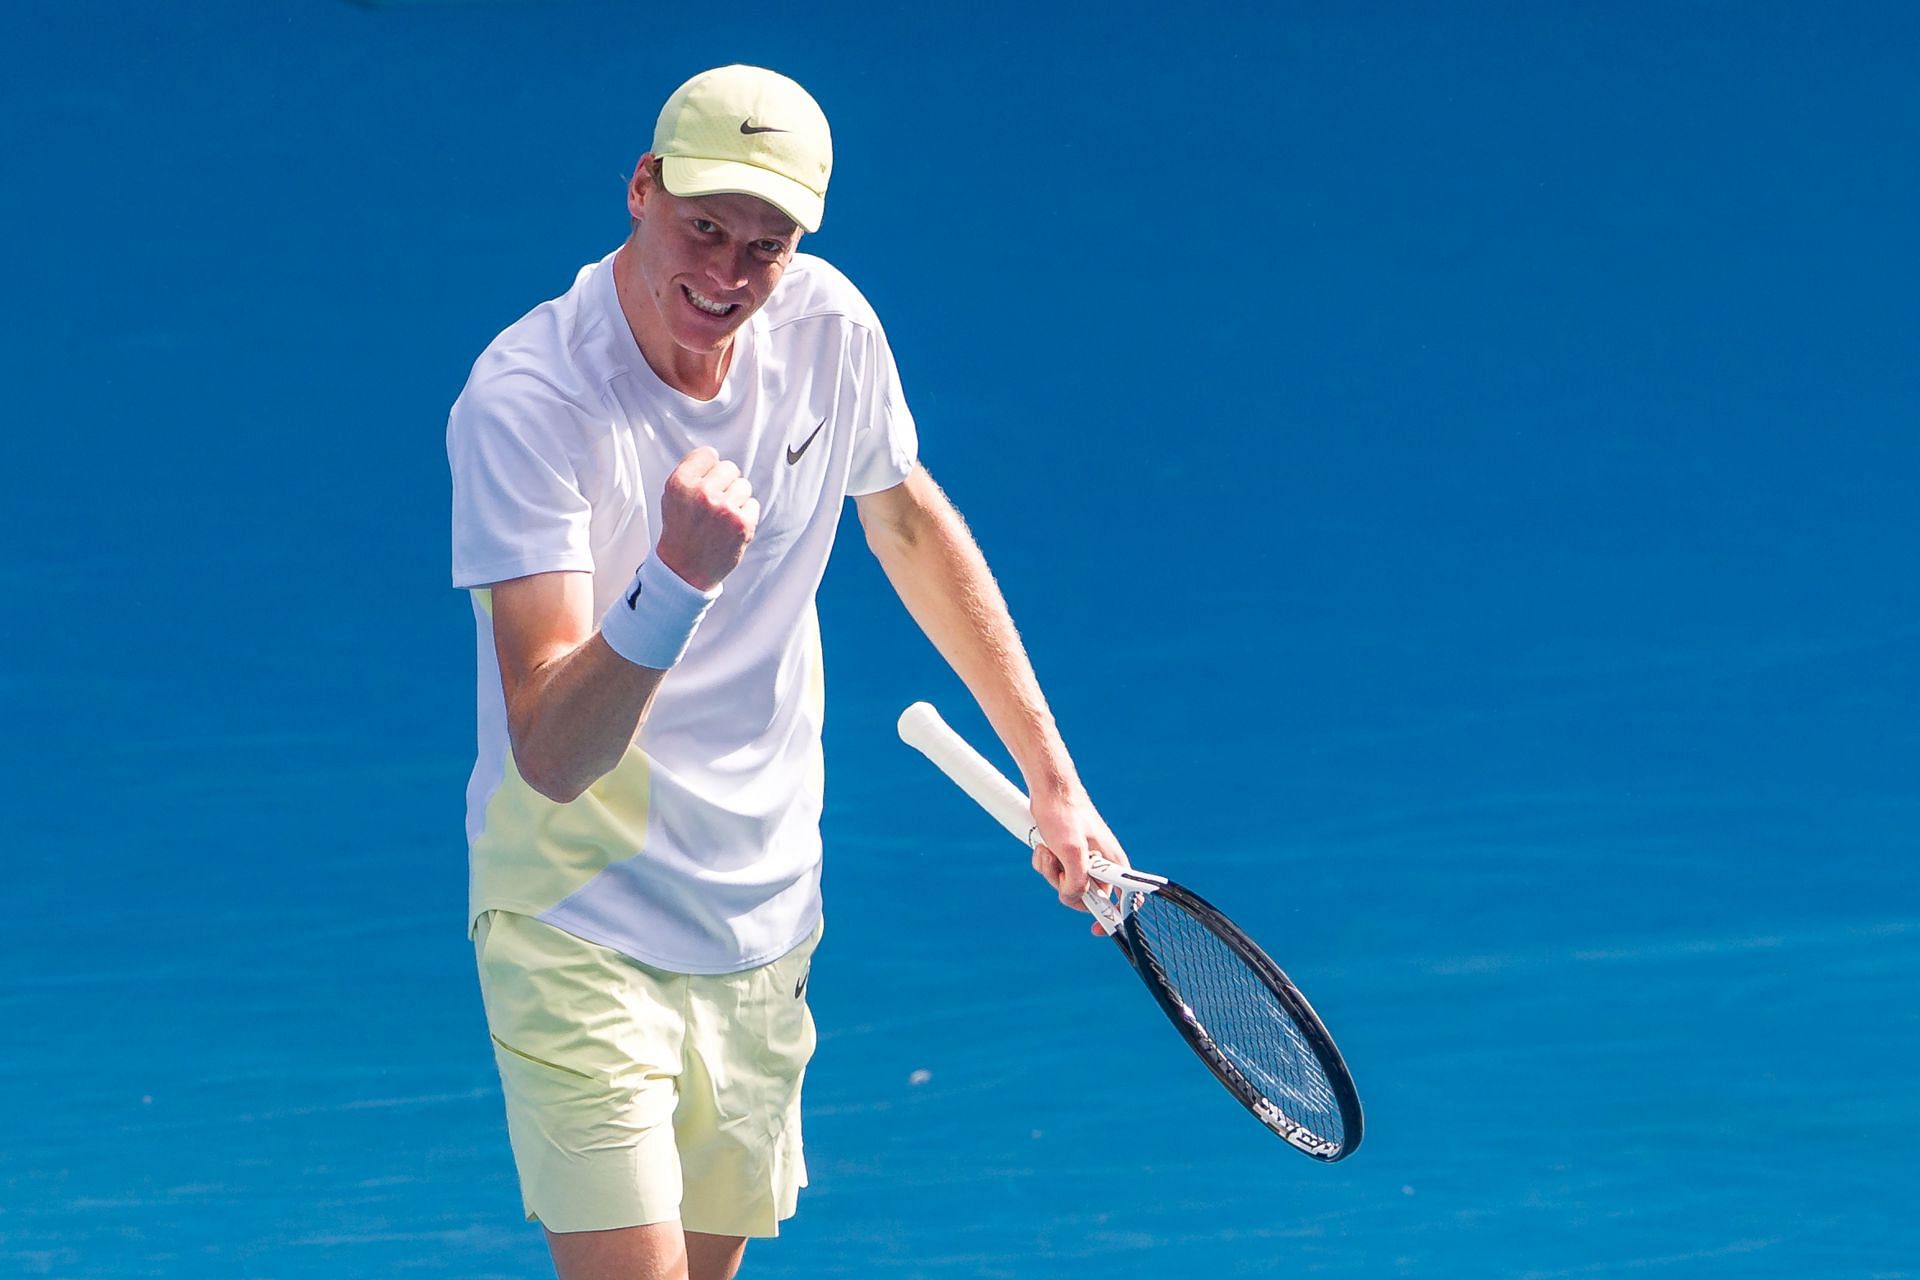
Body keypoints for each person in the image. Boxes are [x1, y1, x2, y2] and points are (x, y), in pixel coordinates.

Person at [447, 65, 1124, 1280]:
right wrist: (674, 584)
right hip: (576, 910)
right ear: (642, 189)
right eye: (703, 225)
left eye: (766, 244)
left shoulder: (829, 330)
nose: (728, 272)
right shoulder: (530, 401)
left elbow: (909, 524)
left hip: (763, 914)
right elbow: (549, 751)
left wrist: (1054, 776)